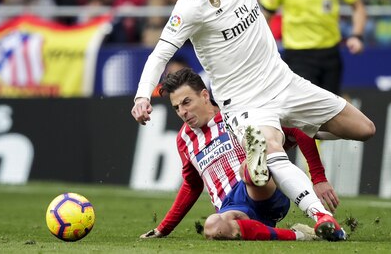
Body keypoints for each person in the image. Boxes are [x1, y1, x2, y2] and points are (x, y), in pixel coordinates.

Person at [131, 0, 375, 242]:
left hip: (283, 81)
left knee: (364, 129)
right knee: (270, 148)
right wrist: (143, 95)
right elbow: (159, 53)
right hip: (244, 103)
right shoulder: (190, 5)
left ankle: (295, 130)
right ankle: (320, 217)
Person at [140, 68, 338, 241]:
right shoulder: (184, 139)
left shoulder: (237, 113)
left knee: (250, 172)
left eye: (187, 102)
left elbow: (298, 130)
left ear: (204, 96)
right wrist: (163, 228)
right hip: (231, 207)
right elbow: (192, 185)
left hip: (261, 191)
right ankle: (301, 235)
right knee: (213, 227)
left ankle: (256, 166)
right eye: (177, 108)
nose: (182, 111)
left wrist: (318, 177)